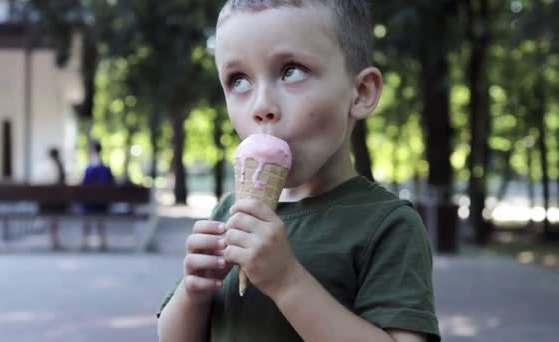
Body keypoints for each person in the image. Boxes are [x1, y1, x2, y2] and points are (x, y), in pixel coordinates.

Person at [157, 1, 440, 341]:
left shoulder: (387, 225)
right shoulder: (229, 213)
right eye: (239, 80)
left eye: (292, 71)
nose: (261, 106)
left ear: (361, 93)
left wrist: (287, 282)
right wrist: (193, 293)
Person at [81, 140, 114, 251]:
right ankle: (102, 241)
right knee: (97, 212)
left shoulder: (90, 168)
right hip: (102, 204)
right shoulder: (106, 169)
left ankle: (85, 240)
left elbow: (84, 185)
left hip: (91, 204)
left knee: (87, 209)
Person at [39, 147, 67, 250]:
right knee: (54, 217)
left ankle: (53, 240)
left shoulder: (48, 166)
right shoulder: (60, 166)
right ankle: (54, 240)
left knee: (51, 215)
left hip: (50, 203)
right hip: (60, 203)